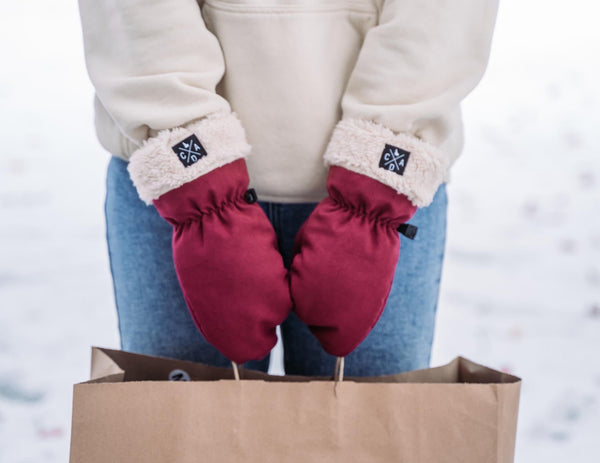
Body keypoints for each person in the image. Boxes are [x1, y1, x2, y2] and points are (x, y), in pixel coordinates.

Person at [75, 0, 499, 379]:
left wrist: (375, 176)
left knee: (363, 455)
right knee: (182, 451)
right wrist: (198, 176)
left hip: (390, 186)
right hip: (173, 184)